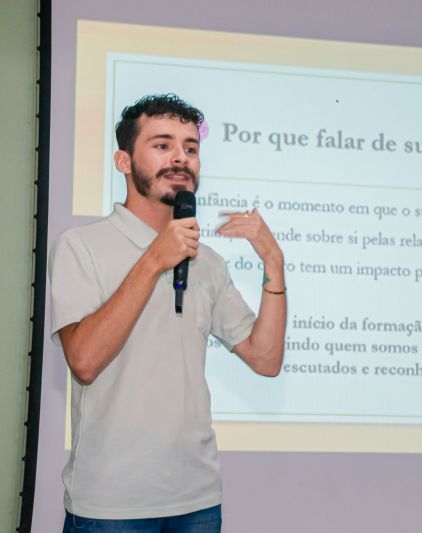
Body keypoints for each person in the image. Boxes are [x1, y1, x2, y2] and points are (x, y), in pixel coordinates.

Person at [49, 94, 286, 532]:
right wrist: (154, 260)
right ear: (123, 161)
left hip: (198, 501)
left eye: (190, 148)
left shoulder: (207, 262)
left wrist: (274, 262)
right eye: (162, 145)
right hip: (111, 506)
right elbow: (83, 361)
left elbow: (265, 358)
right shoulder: (80, 247)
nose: (180, 157)